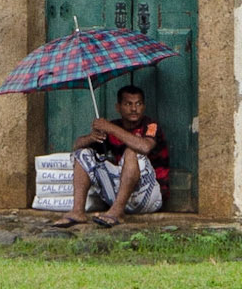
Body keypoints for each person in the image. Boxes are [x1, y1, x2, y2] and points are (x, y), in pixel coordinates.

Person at [64, 84, 168, 226]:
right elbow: (76, 146)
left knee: (132, 151)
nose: (134, 109)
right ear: (118, 107)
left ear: (143, 106)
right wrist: (91, 137)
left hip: (149, 197)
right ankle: (77, 212)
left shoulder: (151, 125)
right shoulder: (112, 127)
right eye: (128, 104)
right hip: (118, 195)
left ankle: (117, 212)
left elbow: (144, 147)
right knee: (83, 153)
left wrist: (111, 128)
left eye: (138, 104)